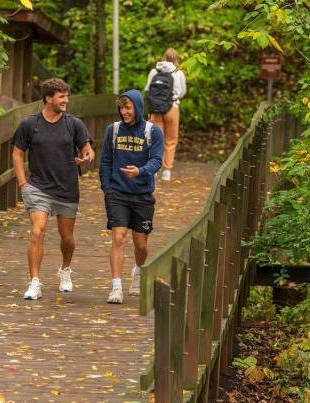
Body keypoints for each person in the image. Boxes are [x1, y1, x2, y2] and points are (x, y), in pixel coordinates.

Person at [12, 78, 95, 300]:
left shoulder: (73, 124)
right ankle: (34, 282)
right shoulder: (30, 125)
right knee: (37, 230)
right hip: (39, 187)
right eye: (61, 96)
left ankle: (65, 270)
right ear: (48, 98)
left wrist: (87, 157)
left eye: (67, 96)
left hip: (67, 187)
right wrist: (22, 183)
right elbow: (18, 153)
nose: (66, 100)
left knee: (66, 236)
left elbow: (87, 148)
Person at [99, 89, 163, 304]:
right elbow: (106, 160)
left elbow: (156, 161)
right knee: (118, 237)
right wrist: (107, 187)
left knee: (141, 244)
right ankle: (116, 286)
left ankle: (137, 272)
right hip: (117, 193)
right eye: (121, 108)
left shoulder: (152, 132)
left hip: (142, 194)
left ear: (137, 107)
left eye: (128, 107)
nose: (124, 112)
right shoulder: (113, 130)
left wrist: (140, 171)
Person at [144, 48, 187, 182]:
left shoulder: (154, 71)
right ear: (176, 59)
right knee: (171, 140)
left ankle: (154, 169)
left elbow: (147, 89)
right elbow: (182, 93)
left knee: (155, 139)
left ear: (164, 57)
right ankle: (166, 171)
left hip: (155, 109)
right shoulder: (179, 73)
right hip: (172, 108)